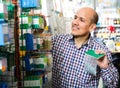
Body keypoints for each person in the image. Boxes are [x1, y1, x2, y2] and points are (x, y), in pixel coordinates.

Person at [51, 7, 119, 88]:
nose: (75, 22)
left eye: (81, 20)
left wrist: (105, 67)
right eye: (75, 18)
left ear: (92, 27)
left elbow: (113, 84)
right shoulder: (57, 42)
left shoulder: (100, 49)